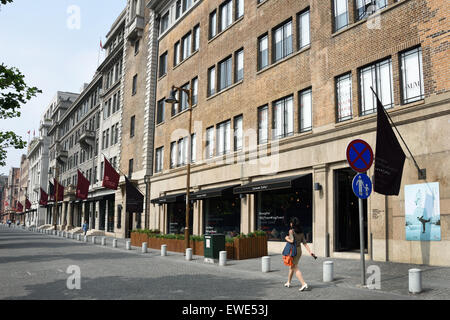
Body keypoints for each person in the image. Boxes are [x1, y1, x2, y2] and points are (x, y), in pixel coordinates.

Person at [284, 217, 315, 292]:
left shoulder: (291, 231)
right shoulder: (301, 232)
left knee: (295, 267)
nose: (290, 223)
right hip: (299, 251)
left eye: (291, 222)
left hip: (293, 251)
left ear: (293, 224)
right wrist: (310, 252)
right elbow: (304, 243)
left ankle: (303, 283)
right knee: (292, 266)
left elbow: (291, 241)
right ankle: (288, 282)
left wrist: (286, 238)